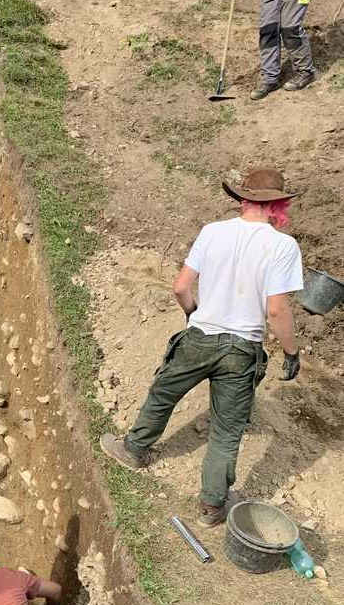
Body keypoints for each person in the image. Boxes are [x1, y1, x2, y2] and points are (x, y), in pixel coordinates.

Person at [100, 168, 303, 527]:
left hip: (201, 336)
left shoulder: (213, 232)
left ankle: (134, 449)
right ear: (277, 204)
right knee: (226, 432)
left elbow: (181, 287)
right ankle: (212, 506)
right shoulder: (284, 247)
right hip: (242, 350)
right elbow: (276, 310)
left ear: (243, 199)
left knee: (164, 394)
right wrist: (290, 352)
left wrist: (195, 315)